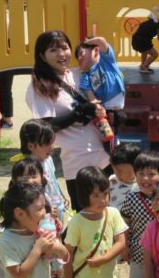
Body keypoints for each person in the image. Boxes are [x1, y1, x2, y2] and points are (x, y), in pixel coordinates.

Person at [26, 30, 110, 212]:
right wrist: (77, 114)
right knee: (86, 217)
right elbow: (45, 128)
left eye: (64, 48)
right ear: (42, 55)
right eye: (53, 50)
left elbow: (110, 70)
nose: (61, 54)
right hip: (79, 163)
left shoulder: (79, 73)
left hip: (106, 156)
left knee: (110, 214)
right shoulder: (39, 85)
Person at [120, 151, 159, 278]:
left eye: (151, 174)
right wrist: (124, 246)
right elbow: (125, 224)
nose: (145, 178)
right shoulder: (132, 198)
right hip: (139, 254)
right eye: (140, 173)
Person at [18, 119, 67, 225]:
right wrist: (45, 209)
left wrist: (62, 196)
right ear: (31, 146)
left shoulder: (47, 159)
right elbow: (28, 195)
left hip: (57, 205)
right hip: (43, 213)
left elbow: (53, 179)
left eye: (52, 143)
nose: (52, 147)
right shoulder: (28, 168)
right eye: (47, 144)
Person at [132, 6, 159, 73]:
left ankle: (143, 64)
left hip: (135, 40)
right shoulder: (158, 25)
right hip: (143, 41)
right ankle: (144, 67)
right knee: (155, 54)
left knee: (145, 51)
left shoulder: (147, 22)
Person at [109, 143, 141, 211]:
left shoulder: (142, 185)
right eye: (117, 170)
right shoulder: (111, 181)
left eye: (125, 171)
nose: (120, 175)